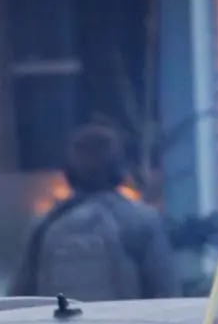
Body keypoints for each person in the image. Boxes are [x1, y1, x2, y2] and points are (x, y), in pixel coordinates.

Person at [10, 123, 180, 302]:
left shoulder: (45, 225)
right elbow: (167, 293)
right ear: (118, 167)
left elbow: (18, 298)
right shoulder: (141, 220)